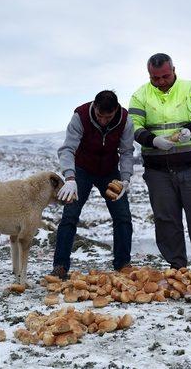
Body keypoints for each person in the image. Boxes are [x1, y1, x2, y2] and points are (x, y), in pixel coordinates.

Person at [129, 53, 191, 273]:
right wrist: (152, 140)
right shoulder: (140, 95)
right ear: (149, 74)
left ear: (174, 70)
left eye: (165, 76)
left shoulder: (190, 89)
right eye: (155, 77)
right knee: (166, 220)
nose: (160, 81)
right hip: (158, 171)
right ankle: (177, 268)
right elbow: (133, 125)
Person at [52, 90, 134, 279]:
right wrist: (70, 178)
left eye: (109, 116)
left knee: (123, 215)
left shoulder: (125, 120)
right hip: (81, 170)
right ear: (94, 108)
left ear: (116, 110)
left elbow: (127, 151)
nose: (104, 120)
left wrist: (126, 178)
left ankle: (123, 264)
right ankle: (60, 267)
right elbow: (67, 148)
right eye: (100, 116)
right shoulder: (80, 116)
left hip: (110, 171)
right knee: (70, 215)